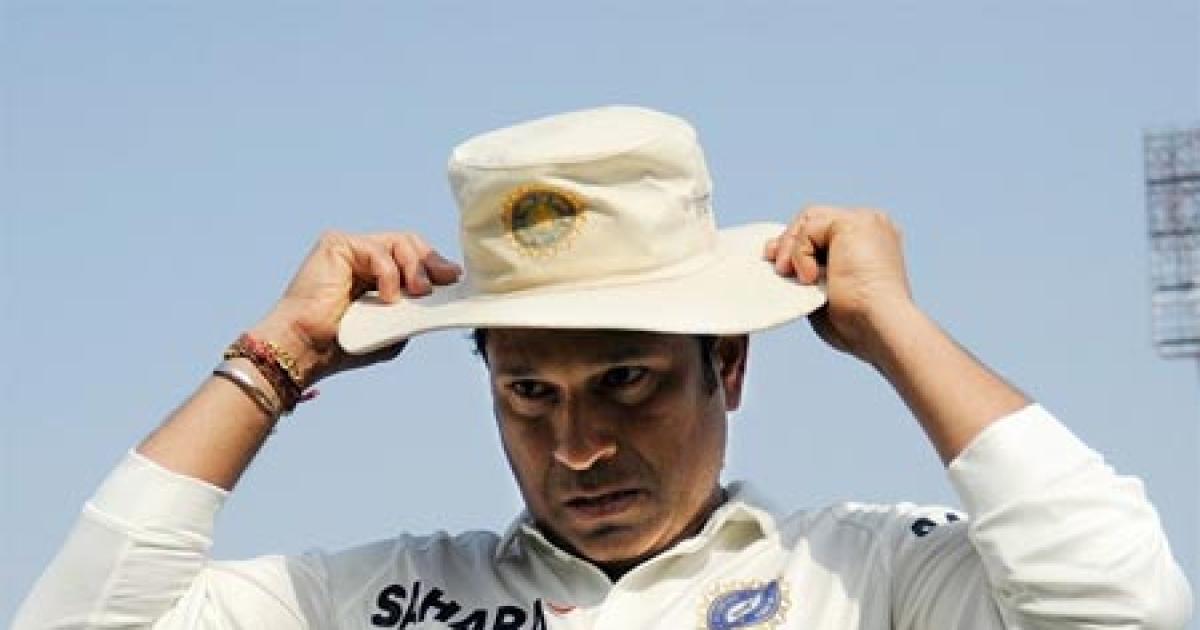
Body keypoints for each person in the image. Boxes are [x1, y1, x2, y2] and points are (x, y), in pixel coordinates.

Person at [14, 106, 1192, 629]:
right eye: (530, 394)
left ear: (729, 367)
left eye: (627, 381)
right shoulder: (381, 599)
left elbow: (1127, 609)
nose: (576, 448)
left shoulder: (866, 574)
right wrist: (273, 362)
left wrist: (894, 326)